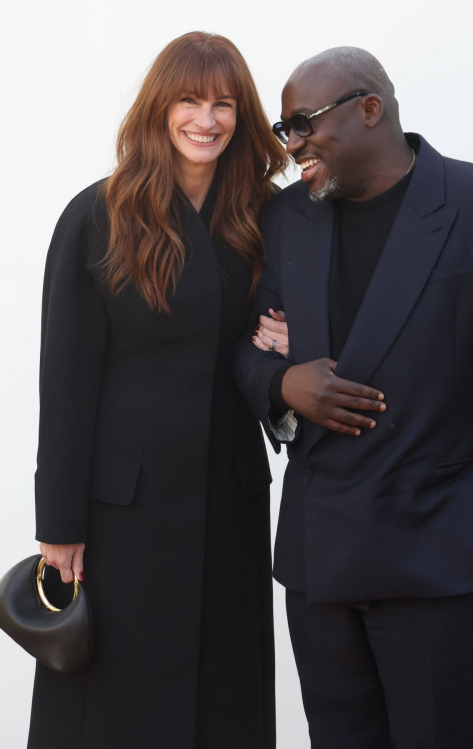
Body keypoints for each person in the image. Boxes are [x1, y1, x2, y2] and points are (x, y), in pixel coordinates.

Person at [28, 31, 290, 749]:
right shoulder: (97, 216)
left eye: (224, 103)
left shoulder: (263, 219)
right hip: (123, 512)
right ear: (159, 107)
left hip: (227, 497)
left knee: (222, 690)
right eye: (189, 99)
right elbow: (67, 378)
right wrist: (59, 524)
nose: (206, 119)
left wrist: (283, 340)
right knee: (117, 698)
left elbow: (278, 331)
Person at [233, 46, 473, 748]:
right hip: (320, 564)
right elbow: (243, 350)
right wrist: (283, 382)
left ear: (369, 109)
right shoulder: (289, 218)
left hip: (441, 561)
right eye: (283, 129)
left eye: (302, 125)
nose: (291, 148)